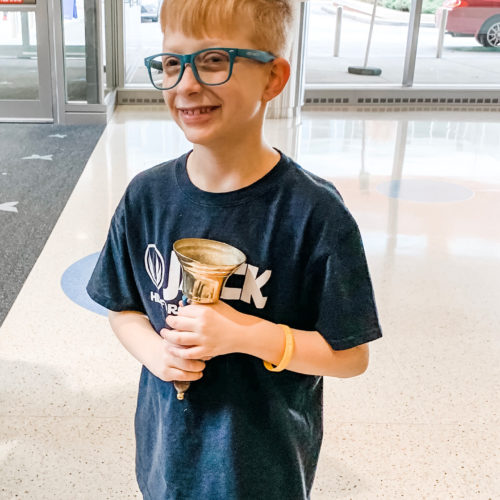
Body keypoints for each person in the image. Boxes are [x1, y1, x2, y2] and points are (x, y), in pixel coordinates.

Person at [86, 0, 383, 498]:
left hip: (263, 468)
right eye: (171, 62)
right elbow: (123, 308)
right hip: (167, 458)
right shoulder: (146, 196)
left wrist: (247, 333)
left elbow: (350, 355)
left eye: (213, 60)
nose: (185, 84)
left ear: (272, 78)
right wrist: (157, 354)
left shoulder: (315, 213)